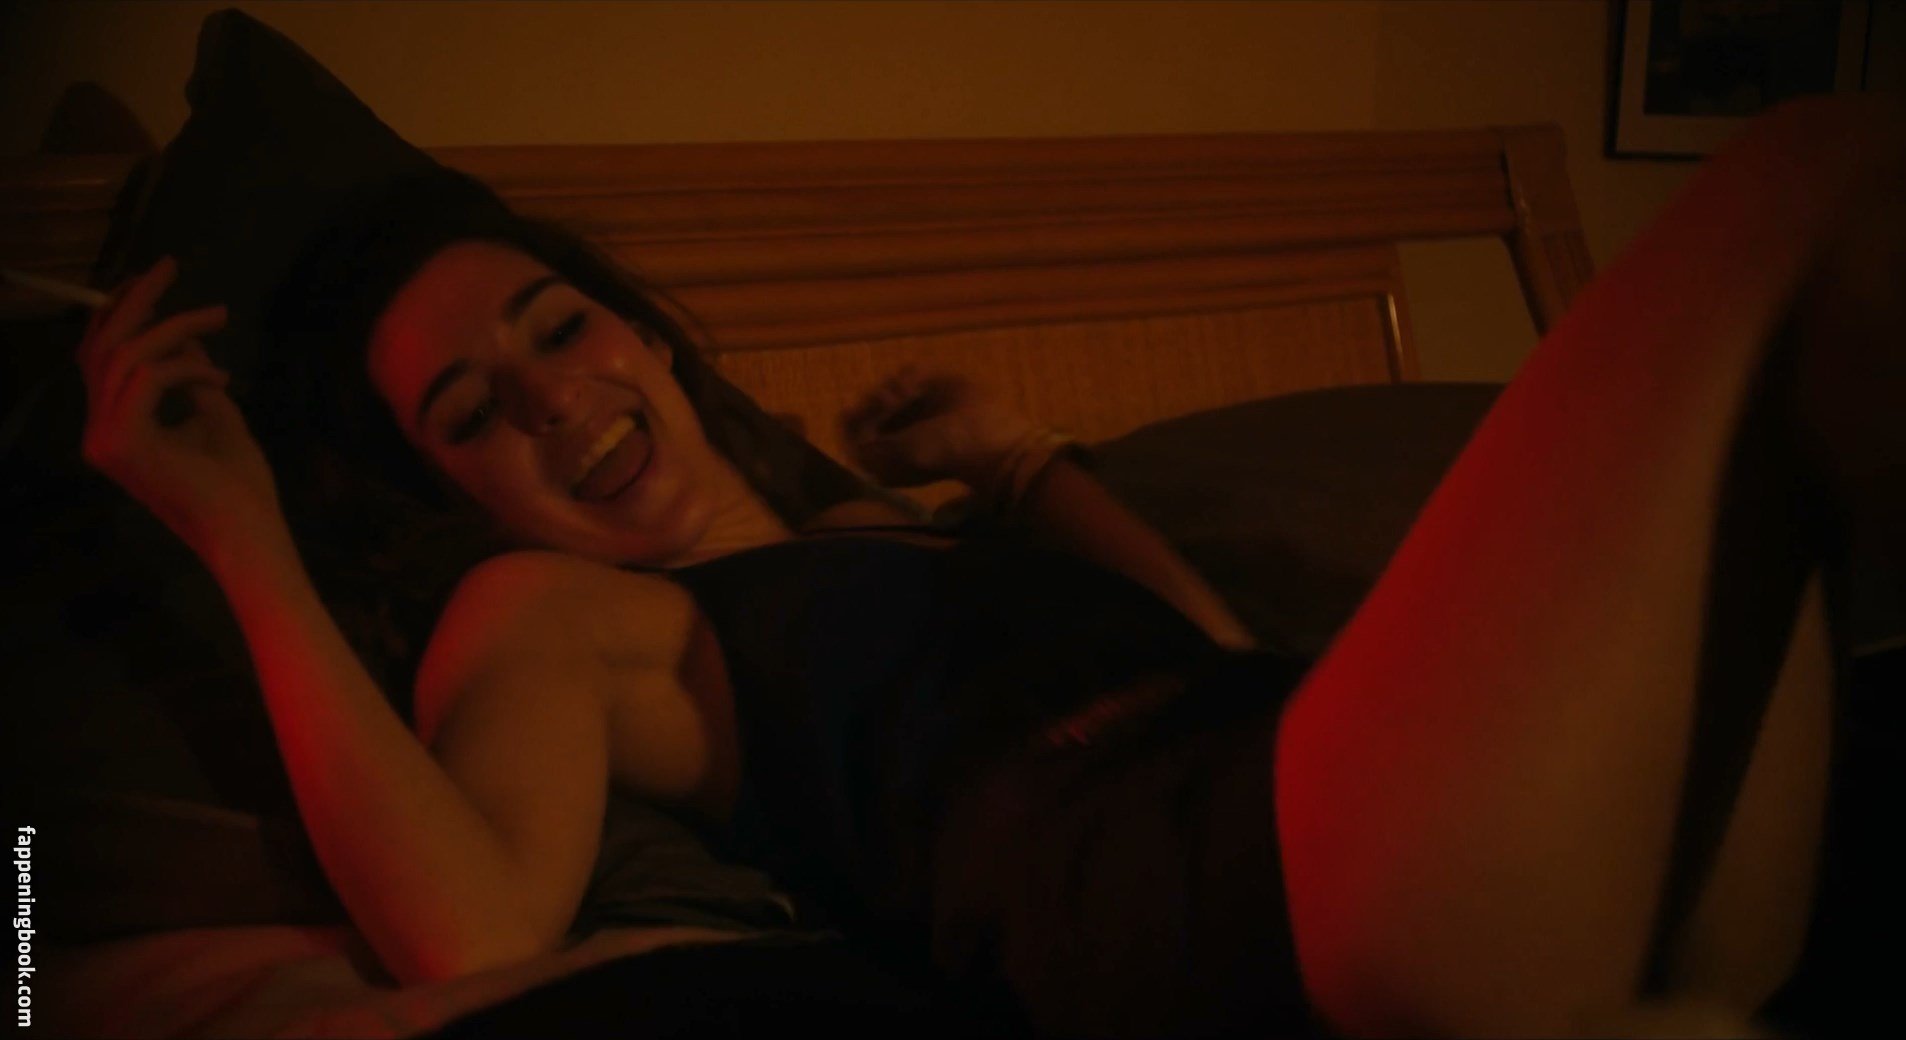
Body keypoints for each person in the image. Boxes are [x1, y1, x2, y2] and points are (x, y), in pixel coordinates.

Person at [73, 93, 1903, 1037]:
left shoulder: (885, 542)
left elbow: (1210, 656)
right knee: (1803, 187)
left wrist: (1021, 470)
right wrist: (243, 540)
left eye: (560, 327)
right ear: (453, 498)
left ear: (645, 334)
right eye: (475, 413)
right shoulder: (573, 615)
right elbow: (467, 936)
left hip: (1335, 794)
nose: (555, 399)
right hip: (1204, 908)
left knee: (1801, 425)